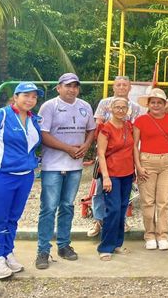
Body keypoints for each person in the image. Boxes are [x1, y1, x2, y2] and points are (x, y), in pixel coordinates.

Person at [0, 83, 43, 279]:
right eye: (26, 95)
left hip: (25, 176)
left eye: (34, 97)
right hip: (1, 176)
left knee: (13, 218)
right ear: (16, 97)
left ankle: (7, 252)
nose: (30, 100)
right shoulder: (0, 116)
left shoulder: (33, 119)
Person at [35, 73, 96, 270]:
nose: (72, 89)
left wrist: (86, 145)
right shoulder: (49, 106)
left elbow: (91, 129)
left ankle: (63, 245)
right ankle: (43, 250)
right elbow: (43, 135)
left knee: (67, 206)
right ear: (59, 88)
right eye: (68, 85)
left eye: (75, 86)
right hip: (53, 166)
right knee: (48, 208)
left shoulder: (85, 106)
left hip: (74, 167)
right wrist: (67, 148)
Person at [88, 75, 142, 238]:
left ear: (130, 87)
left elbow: (135, 130)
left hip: (125, 154)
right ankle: (98, 220)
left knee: (124, 191)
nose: (122, 87)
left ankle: (121, 220)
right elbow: (98, 124)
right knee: (100, 188)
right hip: (107, 151)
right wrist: (100, 148)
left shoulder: (135, 107)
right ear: (113, 87)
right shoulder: (105, 103)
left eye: (125, 85)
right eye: (118, 85)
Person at [134, 88, 168, 250]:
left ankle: (163, 235)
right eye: (153, 102)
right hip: (147, 161)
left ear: (164, 104)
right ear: (148, 104)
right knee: (148, 201)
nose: (156, 105)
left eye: (159, 102)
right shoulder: (140, 120)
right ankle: (149, 235)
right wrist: (138, 166)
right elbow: (135, 145)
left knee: (164, 201)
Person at [96, 97, 135, 260]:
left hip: (127, 173)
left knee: (122, 208)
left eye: (123, 107)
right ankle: (105, 247)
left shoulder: (129, 126)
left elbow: (133, 148)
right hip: (111, 173)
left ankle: (117, 243)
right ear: (111, 109)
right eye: (117, 107)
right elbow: (101, 154)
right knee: (113, 209)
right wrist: (105, 177)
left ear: (127, 110)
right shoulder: (105, 128)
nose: (120, 110)